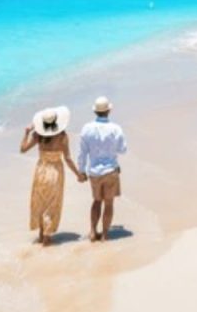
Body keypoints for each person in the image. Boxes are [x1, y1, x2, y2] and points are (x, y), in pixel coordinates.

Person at [20, 106, 85, 246]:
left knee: (41, 203)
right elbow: (67, 158)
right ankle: (47, 240)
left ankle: (42, 236)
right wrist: (78, 174)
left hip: (41, 171)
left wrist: (26, 133)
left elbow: (23, 149)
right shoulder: (62, 136)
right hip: (55, 172)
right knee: (52, 205)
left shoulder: (37, 136)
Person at [78, 96, 127, 242]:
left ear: (95, 112)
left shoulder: (86, 129)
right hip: (111, 170)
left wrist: (81, 171)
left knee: (96, 201)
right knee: (109, 203)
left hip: (94, 172)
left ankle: (93, 232)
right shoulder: (115, 129)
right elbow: (123, 150)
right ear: (109, 111)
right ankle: (105, 234)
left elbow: (82, 153)